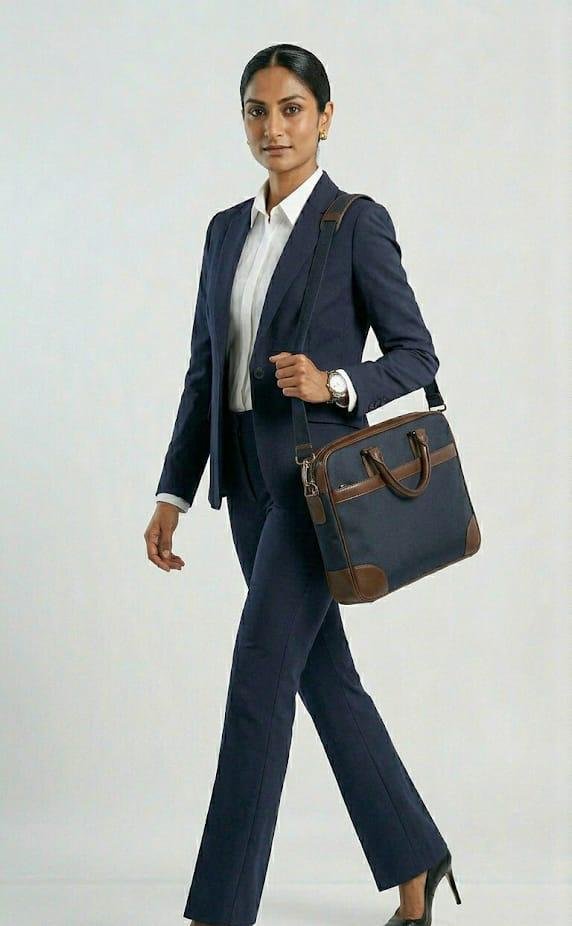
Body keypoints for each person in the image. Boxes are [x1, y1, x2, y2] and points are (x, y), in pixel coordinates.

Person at [144, 43, 462, 926]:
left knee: (258, 682)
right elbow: (205, 371)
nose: (273, 127)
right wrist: (173, 493)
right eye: (257, 110)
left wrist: (336, 383)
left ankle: (220, 912)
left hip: (318, 490)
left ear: (325, 116)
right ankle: (417, 858)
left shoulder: (353, 222)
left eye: (291, 109)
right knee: (324, 680)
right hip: (244, 488)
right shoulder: (225, 231)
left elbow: (417, 355)